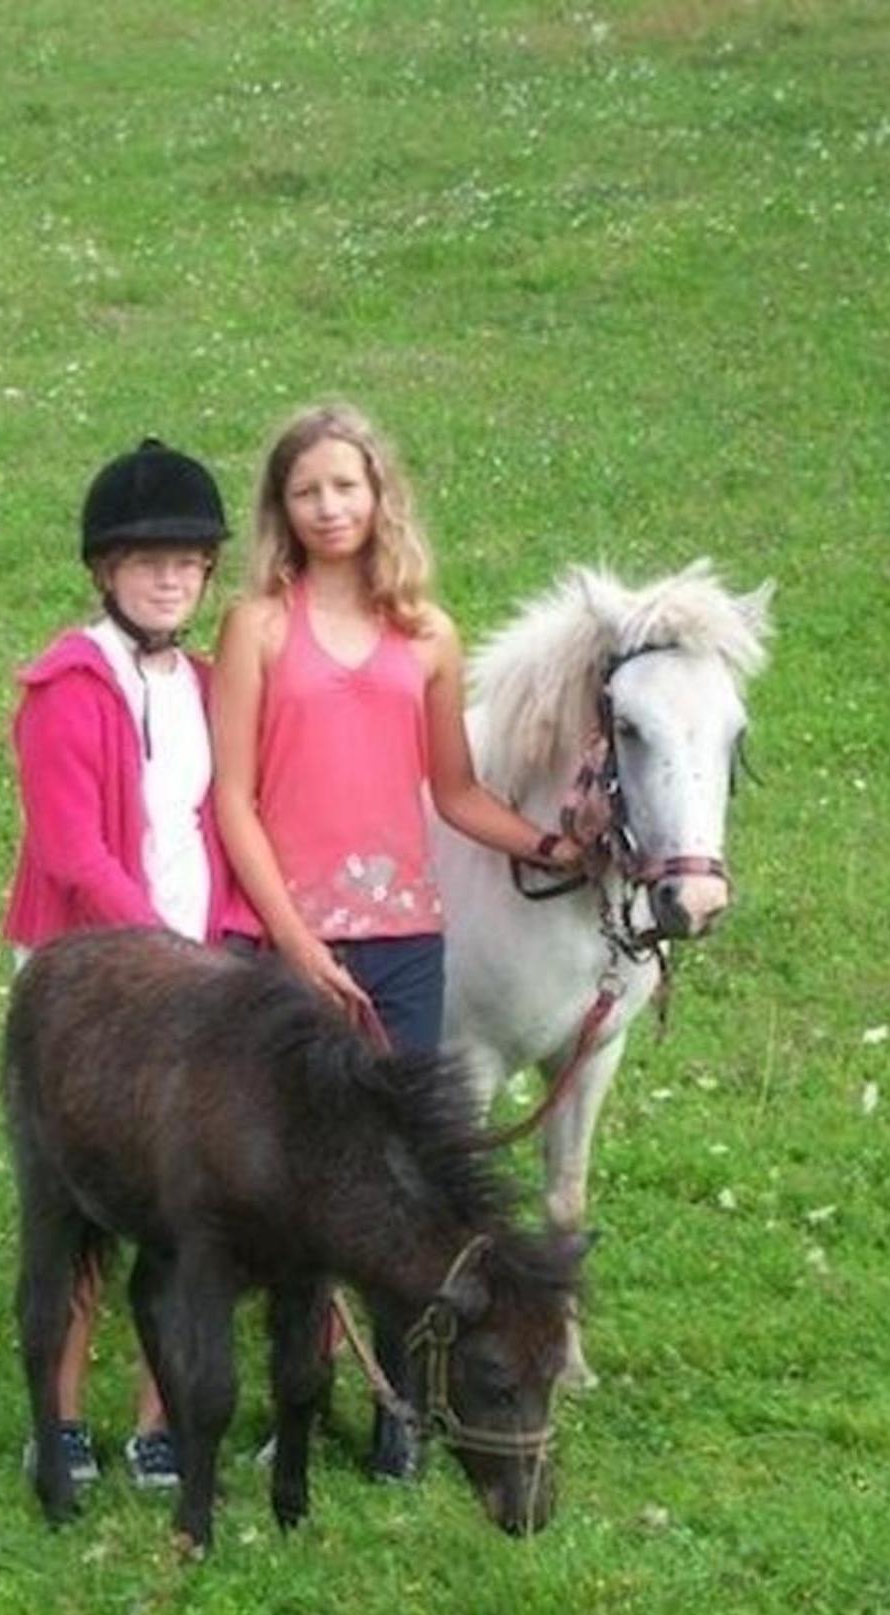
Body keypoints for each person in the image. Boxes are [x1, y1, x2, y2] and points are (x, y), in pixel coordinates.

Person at [212, 401, 582, 1472]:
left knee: (403, 1185)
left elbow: (456, 791)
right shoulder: (259, 628)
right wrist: (292, 938)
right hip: (284, 944)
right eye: (306, 490)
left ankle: (403, 1407)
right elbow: (233, 797)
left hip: (405, 941)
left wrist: (555, 847)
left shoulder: (428, 634)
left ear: (381, 496)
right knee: (290, 1178)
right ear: (281, 508)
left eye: (347, 486)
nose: (330, 507)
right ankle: (295, 1399)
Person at [2, 437, 232, 1494]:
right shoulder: (66, 684)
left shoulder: (209, 684)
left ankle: (157, 1416)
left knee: (184, 1204)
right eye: (148, 560)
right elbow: (72, 851)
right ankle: (56, 1418)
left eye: (188, 560)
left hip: (196, 970)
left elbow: (223, 822)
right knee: (80, 1203)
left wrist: (225, 945)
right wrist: (161, 957)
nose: (171, 576)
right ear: (105, 569)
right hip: (96, 979)